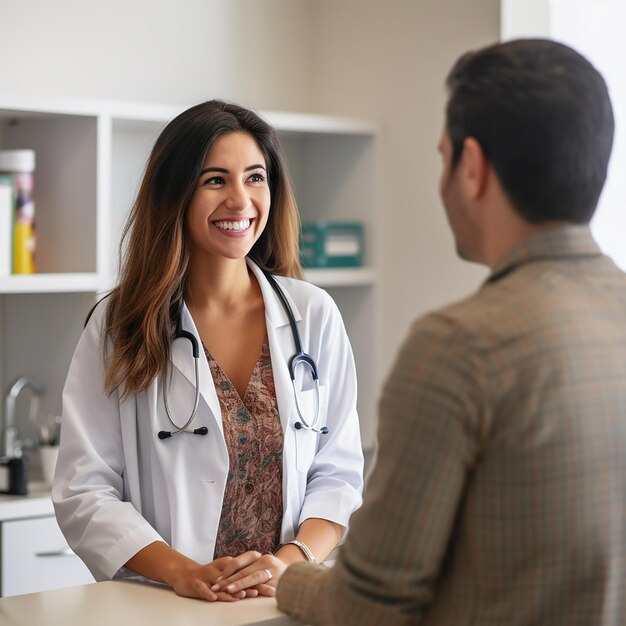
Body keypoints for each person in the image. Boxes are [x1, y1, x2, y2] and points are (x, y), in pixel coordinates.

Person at [270, 39, 626, 625]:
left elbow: (370, 606)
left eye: (442, 158)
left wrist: (289, 580)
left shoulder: (460, 347)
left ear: (473, 167)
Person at [52, 100, 363, 602]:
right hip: (167, 603)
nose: (240, 200)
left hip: (281, 602)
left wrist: (289, 564)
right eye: (215, 180)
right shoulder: (120, 325)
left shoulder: (314, 315)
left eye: (255, 178)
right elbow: (84, 491)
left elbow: (339, 473)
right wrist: (181, 572)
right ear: (175, 193)